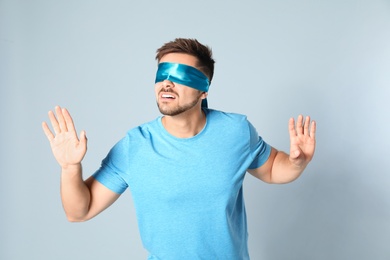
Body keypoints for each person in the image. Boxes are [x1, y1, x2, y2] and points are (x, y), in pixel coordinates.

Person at [42, 38, 316, 259]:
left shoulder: (236, 131)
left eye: (181, 75)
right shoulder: (134, 146)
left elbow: (271, 169)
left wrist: (296, 163)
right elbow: (79, 211)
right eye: (162, 74)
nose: (167, 83)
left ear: (204, 89)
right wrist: (70, 167)